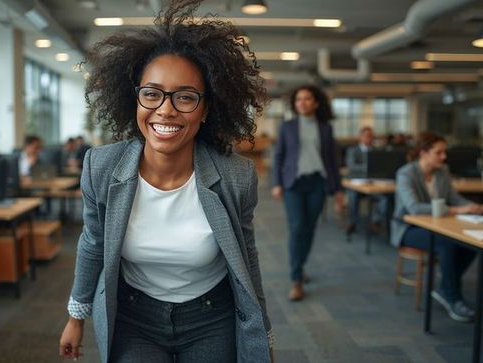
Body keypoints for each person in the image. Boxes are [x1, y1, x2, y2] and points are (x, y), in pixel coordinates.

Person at [58, 1, 273, 361]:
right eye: (152, 93)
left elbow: (246, 258)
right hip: (134, 317)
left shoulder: (236, 176)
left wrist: (262, 336)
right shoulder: (102, 166)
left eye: (185, 97)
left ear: (206, 109)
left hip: (211, 317)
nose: (166, 109)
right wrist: (75, 316)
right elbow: (93, 244)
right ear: (136, 100)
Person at [391, 132, 483, 322]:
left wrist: (475, 207)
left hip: (436, 225)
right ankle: (452, 296)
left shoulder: (442, 171)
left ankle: (446, 286)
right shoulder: (405, 173)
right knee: (447, 244)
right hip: (408, 229)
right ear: (424, 153)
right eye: (439, 152)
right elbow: (414, 207)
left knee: (472, 242)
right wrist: (457, 209)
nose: (444, 157)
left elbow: (454, 197)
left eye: (444, 152)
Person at [271, 85, 345, 302]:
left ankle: (300, 265)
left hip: (317, 183)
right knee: (297, 227)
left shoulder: (325, 128)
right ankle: (296, 280)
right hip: (294, 183)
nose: (302, 102)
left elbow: (332, 161)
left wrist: (338, 190)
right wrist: (277, 183)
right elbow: (278, 156)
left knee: (309, 228)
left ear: (316, 103)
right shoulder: (287, 126)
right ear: (295, 104)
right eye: (299, 99)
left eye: (307, 99)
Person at [345, 126, 388, 234]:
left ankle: (375, 221)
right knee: (353, 196)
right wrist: (369, 167)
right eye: (367, 136)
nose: (370, 138)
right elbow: (352, 166)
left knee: (385, 198)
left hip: (373, 183)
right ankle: (352, 221)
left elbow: (382, 166)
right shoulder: (353, 150)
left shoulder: (377, 150)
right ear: (361, 137)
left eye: (371, 136)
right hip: (356, 184)